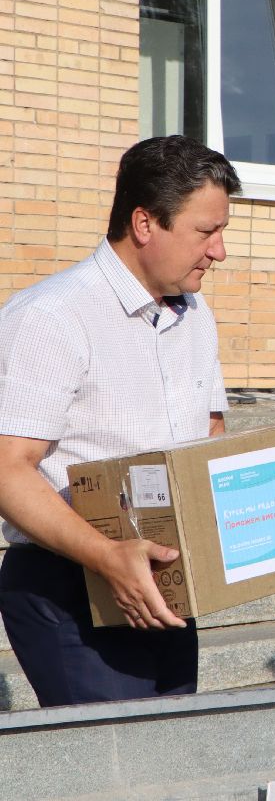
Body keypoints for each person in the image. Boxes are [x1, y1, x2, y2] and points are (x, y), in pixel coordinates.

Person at [0, 135, 240, 706]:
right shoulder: (51, 318)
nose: (220, 252)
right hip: (69, 585)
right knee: (111, 774)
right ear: (144, 223)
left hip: (165, 584)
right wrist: (108, 555)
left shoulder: (193, 314)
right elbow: (8, 469)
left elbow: (207, 434)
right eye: (206, 232)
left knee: (170, 769)